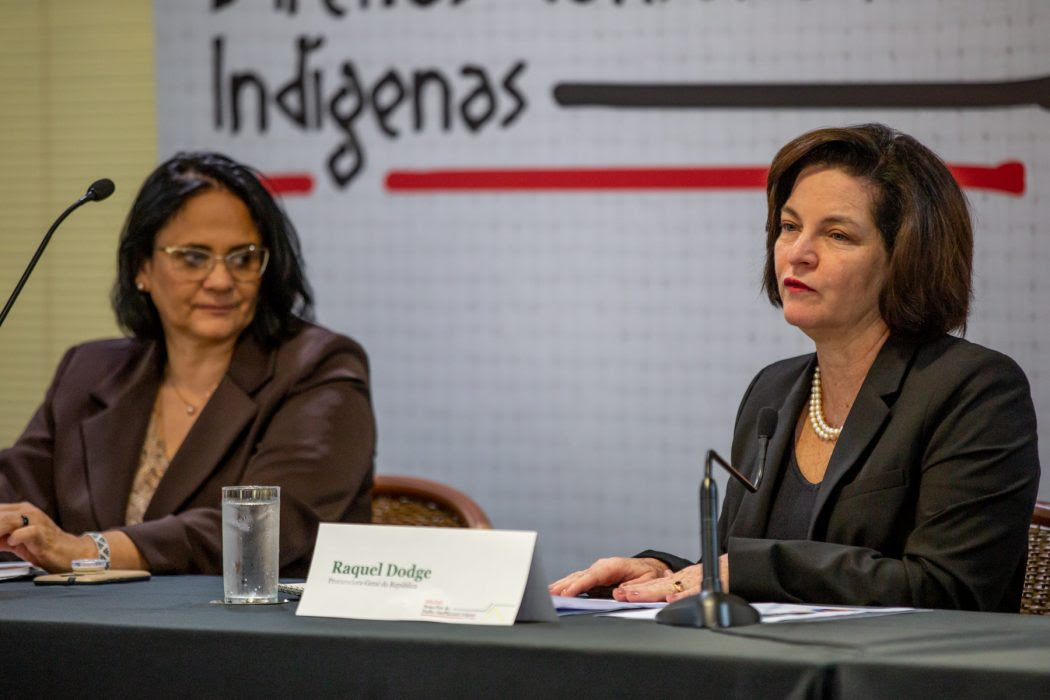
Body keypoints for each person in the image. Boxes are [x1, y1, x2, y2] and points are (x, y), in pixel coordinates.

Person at [550, 123, 1040, 612]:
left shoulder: (973, 390)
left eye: (837, 234)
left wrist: (739, 569)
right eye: (789, 226)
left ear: (905, 258)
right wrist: (666, 573)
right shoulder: (774, 389)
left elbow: (945, 588)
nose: (798, 253)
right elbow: (749, 568)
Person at [0, 152, 375, 577]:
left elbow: (264, 526)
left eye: (243, 257)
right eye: (193, 257)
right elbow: (16, 492)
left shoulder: (318, 369)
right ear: (142, 267)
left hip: (251, 633)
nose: (220, 281)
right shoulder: (88, 371)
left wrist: (90, 550)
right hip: (88, 633)